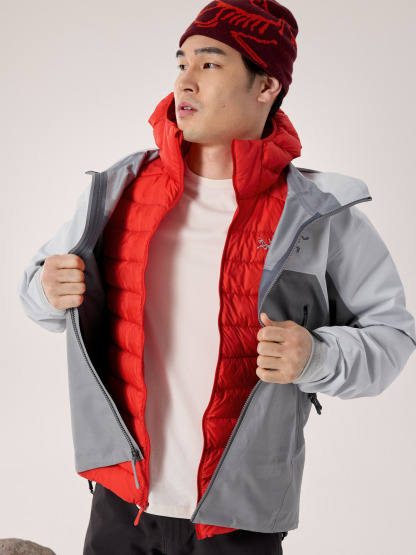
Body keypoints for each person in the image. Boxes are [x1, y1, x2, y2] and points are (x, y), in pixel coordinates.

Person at [17, 1, 416, 554]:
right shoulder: (118, 189)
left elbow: (392, 338)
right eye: (181, 63)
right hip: (120, 503)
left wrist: (316, 356)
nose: (185, 80)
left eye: (209, 64)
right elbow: (37, 289)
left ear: (266, 86)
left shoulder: (320, 215)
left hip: (240, 518)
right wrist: (46, 290)